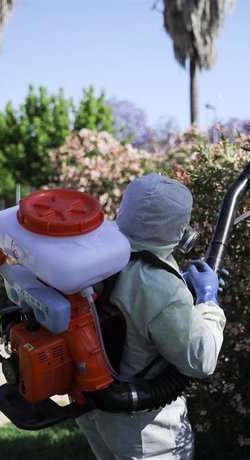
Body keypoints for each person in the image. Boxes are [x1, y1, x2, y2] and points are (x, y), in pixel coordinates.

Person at [76, 173, 226, 459]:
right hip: (143, 428)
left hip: (94, 408)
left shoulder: (96, 251)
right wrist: (208, 301)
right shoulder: (160, 287)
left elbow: (129, 297)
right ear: (178, 228)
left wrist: (182, 289)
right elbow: (202, 358)